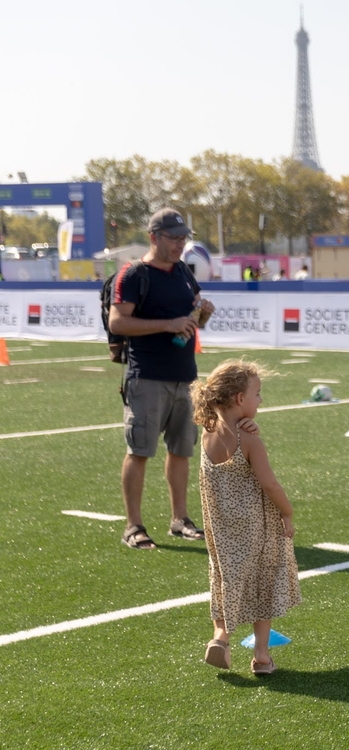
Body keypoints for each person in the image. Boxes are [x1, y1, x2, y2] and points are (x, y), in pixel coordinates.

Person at [108, 208, 216, 550]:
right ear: (154, 236)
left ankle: (179, 519)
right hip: (147, 376)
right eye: (174, 238)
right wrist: (166, 325)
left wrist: (203, 316)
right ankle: (133, 525)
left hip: (185, 375)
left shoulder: (184, 271)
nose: (180, 244)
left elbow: (192, 321)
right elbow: (118, 323)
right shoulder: (134, 274)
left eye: (184, 237)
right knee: (139, 450)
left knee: (181, 450)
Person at [191, 359, 300, 675]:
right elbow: (270, 484)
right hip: (257, 527)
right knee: (262, 586)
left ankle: (221, 637)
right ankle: (262, 656)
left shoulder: (207, 433)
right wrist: (287, 513)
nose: (260, 400)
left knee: (225, 581)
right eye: (257, 393)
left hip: (221, 529)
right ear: (240, 399)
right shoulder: (249, 441)